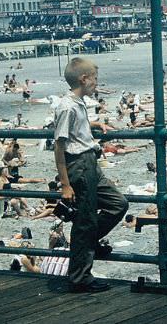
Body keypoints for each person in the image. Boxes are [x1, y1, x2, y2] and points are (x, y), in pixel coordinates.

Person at [54, 57, 128, 293]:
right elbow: (60, 146)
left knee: (118, 204)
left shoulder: (78, 103)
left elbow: (76, 132)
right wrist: (65, 184)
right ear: (84, 79)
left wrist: (95, 126)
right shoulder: (67, 106)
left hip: (90, 162)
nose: (97, 83)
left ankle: (90, 243)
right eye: (95, 79)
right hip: (80, 165)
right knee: (84, 222)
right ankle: (80, 278)